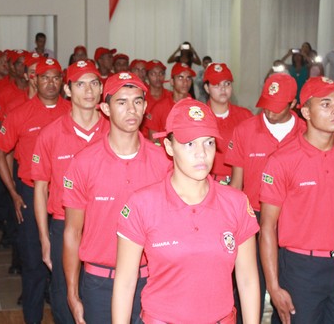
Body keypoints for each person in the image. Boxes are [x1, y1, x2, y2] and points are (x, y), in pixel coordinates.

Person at [112, 98, 260, 324]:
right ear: (169, 147)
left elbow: (248, 279)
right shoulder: (142, 204)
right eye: (190, 144)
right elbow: (125, 282)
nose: (202, 154)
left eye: (209, 142)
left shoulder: (236, 203)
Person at [62, 72, 171, 324]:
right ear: (105, 109)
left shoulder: (163, 162)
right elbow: (72, 232)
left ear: (145, 106)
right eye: (121, 102)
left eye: (137, 101)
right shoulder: (84, 163)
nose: (131, 109)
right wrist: (72, 292)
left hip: (152, 281)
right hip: (101, 284)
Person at [259, 76, 334, 324]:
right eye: (326, 104)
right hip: (301, 270)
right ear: (305, 112)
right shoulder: (282, 160)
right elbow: (267, 227)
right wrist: (273, 286)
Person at [0, 57, 71, 324]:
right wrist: (14, 193)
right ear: (34, 80)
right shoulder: (20, 114)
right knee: (33, 263)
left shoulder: (72, 112)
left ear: (62, 82)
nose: (50, 83)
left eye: (56, 78)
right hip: (29, 193)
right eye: (45, 77)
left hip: (66, 197)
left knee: (67, 263)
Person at [32, 60, 109, 324]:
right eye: (80, 84)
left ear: (102, 89)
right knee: (65, 298)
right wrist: (44, 240)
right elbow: (40, 189)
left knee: (103, 299)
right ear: (68, 90)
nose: (89, 91)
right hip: (64, 227)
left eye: (94, 83)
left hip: (104, 227)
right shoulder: (50, 135)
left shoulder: (114, 132)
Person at [225, 73, 305, 321]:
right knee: (251, 290)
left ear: (293, 104)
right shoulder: (245, 131)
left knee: (293, 297)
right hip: (254, 220)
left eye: (277, 107)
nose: (269, 112)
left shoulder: (306, 132)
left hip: (294, 222)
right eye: (266, 104)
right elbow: (236, 184)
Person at [203, 62, 252, 185]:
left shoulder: (245, 117)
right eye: (216, 85)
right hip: (208, 183)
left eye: (227, 83)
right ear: (207, 88)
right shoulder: (200, 117)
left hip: (241, 183)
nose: (223, 88)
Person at [146, 62, 195, 140]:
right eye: (180, 78)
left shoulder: (196, 108)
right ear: (172, 81)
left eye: (188, 78)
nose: (185, 82)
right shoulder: (159, 107)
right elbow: (153, 139)